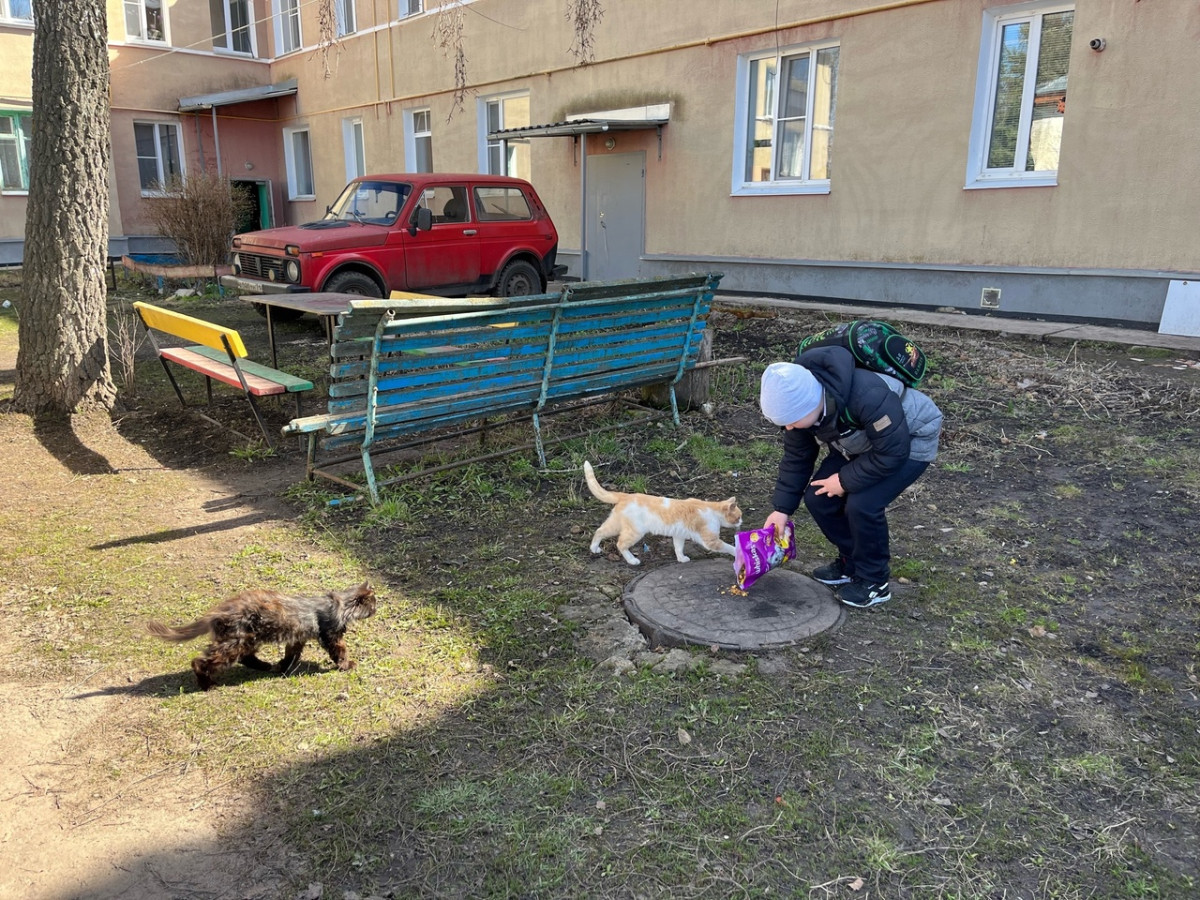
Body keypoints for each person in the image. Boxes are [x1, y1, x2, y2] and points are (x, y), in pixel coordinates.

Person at [758, 344, 943, 608]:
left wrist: (844, 481)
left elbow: (893, 452)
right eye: (783, 423)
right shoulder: (799, 413)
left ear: (811, 404)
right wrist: (781, 510)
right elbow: (796, 459)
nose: (788, 427)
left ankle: (874, 581)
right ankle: (851, 562)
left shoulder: (866, 394)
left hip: (910, 440)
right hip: (861, 443)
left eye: (791, 420)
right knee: (818, 497)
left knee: (863, 505)